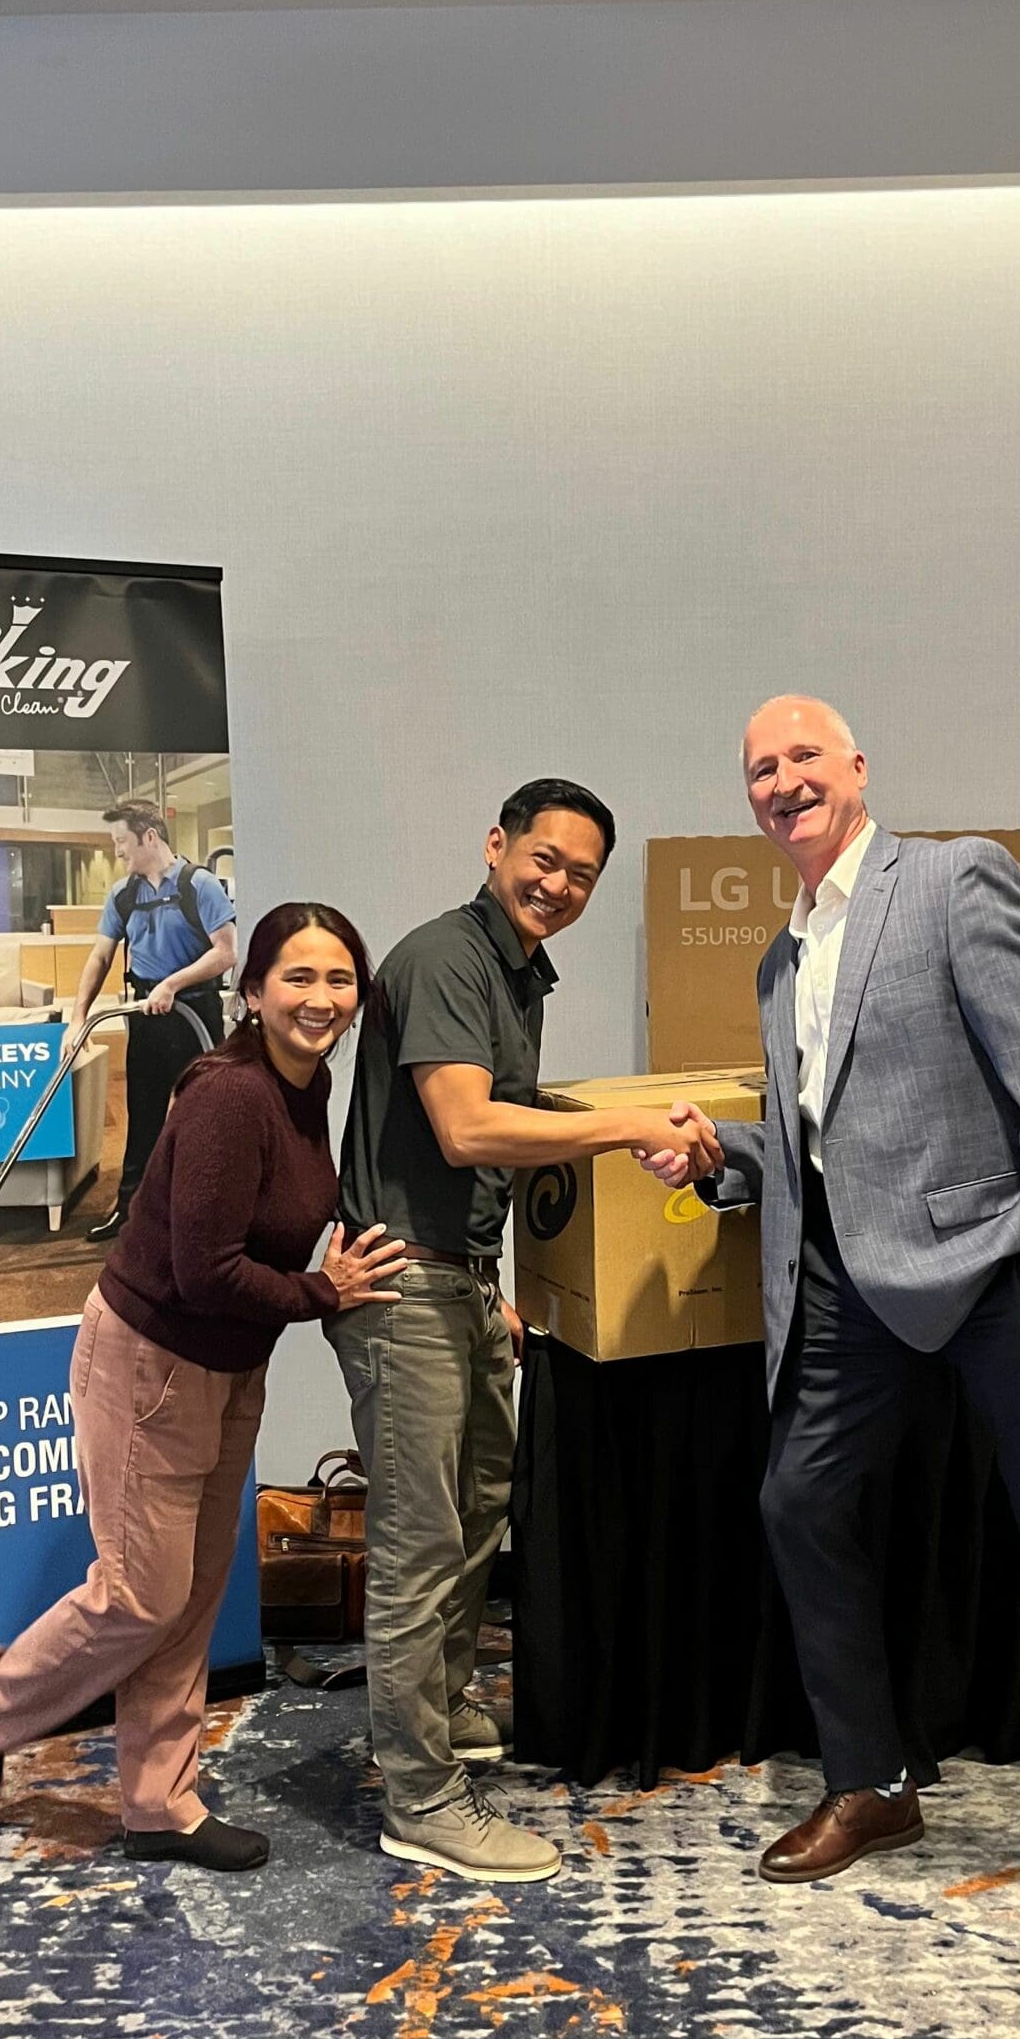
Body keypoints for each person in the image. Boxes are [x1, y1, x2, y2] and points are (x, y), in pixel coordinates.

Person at [646, 698, 1020, 1940]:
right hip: (847, 1281)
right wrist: (723, 1158)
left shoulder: (951, 881)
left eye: (803, 757)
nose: (783, 781)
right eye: (760, 769)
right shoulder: (780, 959)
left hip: (994, 1270)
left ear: (857, 767)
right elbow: (818, 1136)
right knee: (799, 1502)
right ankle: (874, 1783)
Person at [0, 903, 406, 1871]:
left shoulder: (308, 1085)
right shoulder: (231, 1095)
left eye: (339, 979)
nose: (321, 997)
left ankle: (160, 1803)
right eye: (298, 977)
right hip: (151, 1364)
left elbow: (268, 1223)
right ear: (252, 992)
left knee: (190, 1596)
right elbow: (204, 1272)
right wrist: (323, 1291)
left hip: (233, 1367)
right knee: (142, 1595)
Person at [329, 780, 711, 1886]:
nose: (558, 885)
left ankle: (442, 1708)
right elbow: (465, 1127)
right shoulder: (448, 958)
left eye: (582, 875)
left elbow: (497, 1126)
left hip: (456, 1281)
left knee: (478, 1508)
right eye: (544, 859)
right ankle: (420, 1797)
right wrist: (631, 1126)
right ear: (497, 845)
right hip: (404, 1288)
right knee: (418, 1545)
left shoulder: (517, 971)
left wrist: (485, 1276)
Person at [66, 800, 240, 1242]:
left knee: (201, 1117)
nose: (117, 851)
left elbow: (226, 952)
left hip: (194, 1017)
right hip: (145, 1017)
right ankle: (130, 1212)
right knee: (142, 1117)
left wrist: (172, 984)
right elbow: (101, 956)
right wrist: (78, 1017)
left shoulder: (198, 885)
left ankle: (201, 1215)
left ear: (149, 837)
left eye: (122, 841)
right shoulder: (124, 895)